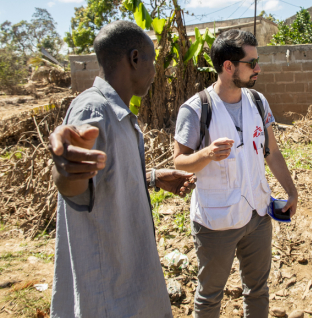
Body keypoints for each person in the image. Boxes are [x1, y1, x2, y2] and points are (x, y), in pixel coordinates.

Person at [48, 20, 195, 318]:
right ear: (135, 58)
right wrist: (64, 171)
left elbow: (105, 179)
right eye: (153, 62)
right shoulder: (94, 110)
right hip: (111, 294)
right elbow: (77, 187)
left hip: (129, 282)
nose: (156, 72)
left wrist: (153, 178)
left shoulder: (118, 113)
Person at [173, 29, 298, 317]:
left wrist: (291, 191)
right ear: (228, 66)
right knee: (210, 296)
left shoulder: (257, 101)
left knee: (257, 289)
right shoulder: (195, 110)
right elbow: (179, 162)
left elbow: (272, 152)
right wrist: (206, 154)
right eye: (251, 63)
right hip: (217, 222)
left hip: (257, 214)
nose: (258, 68)